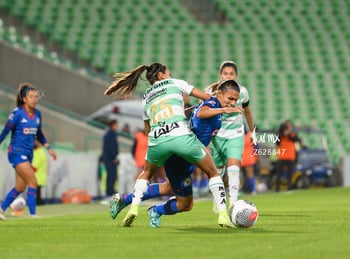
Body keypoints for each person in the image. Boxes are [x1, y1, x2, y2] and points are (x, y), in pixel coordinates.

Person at [104, 63, 238, 228]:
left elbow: (149, 129)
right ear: (161, 75)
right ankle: (221, 216)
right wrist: (220, 107)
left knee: (171, 191)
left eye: (235, 100)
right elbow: (205, 107)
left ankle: (130, 201)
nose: (232, 103)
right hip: (183, 151)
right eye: (230, 99)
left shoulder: (147, 96)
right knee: (193, 193)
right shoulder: (209, 103)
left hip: (174, 150)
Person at [0, 83, 57, 220]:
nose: (34, 99)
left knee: (20, 187)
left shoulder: (37, 114)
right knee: (33, 181)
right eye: (31, 96)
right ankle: (33, 215)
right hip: (16, 152)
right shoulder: (17, 113)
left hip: (28, 153)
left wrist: (48, 148)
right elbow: (5, 131)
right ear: (24, 99)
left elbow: (39, 134)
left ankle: (0, 210)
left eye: (36, 96)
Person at [209, 61, 255, 206]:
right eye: (225, 73)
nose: (228, 76)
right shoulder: (212, 92)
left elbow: (247, 111)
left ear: (236, 76)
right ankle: (218, 202)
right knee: (218, 171)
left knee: (234, 167)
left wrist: (253, 131)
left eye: (231, 74)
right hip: (217, 135)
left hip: (235, 134)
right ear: (220, 75)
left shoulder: (243, 92)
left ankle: (233, 205)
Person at [274, 120, 301, 192]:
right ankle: (277, 188)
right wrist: (280, 134)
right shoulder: (280, 135)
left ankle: (289, 187)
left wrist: (288, 134)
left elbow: (296, 140)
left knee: (290, 173)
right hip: (281, 156)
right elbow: (277, 143)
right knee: (279, 173)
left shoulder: (292, 135)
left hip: (290, 157)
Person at [102, 119, 119, 197]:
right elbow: (109, 148)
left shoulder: (113, 134)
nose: (117, 126)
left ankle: (111, 190)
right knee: (110, 175)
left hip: (111, 158)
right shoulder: (109, 135)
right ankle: (109, 192)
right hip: (109, 159)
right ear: (112, 125)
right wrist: (113, 158)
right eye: (116, 125)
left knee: (113, 175)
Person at [241, 130, 258, 194]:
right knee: (250, 175)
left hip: (241, 158)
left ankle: (252, 190)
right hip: (249, 158)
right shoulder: (251, 135)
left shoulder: (238, 136)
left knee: (245, 175)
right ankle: (252, 190)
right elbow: (256, 147)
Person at [32, 139, 48, 205]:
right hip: (37, 178)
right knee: (37, 196)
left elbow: (34, 168)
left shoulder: (39, 153)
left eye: (35, 141)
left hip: (37, 178)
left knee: (36, 198)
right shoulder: (37, 152)